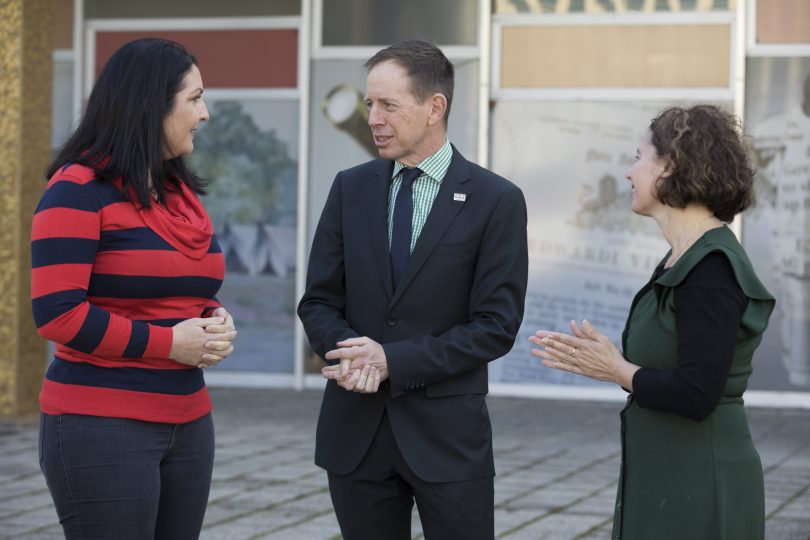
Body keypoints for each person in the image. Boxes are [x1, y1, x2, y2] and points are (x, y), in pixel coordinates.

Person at [298, 40, 528, 540]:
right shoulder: (349, 187)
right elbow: (318, 300)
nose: (373, 118)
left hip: (447, 439)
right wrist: (352, 357)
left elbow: (495, 327)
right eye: (369, 104)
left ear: (434, 108)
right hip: (354, 434)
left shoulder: (496, 201)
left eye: (388, 105)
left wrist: (391, 362)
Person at [530, 105, 775, 540]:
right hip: (671, 476)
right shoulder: (683, 257)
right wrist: (609, 364)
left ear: (672, 166)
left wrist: (617, 369)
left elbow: (697, 394)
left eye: (639, 156)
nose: (628, 173)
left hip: (699, 482)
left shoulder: (711, 269)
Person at [32, 38, 237, 539]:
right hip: (101, 423)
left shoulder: (179, 194)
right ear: (151, 103)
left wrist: (212, 316)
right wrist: (170, 343)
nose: (205, 114)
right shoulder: (76, 191)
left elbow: (184, 286)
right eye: (194, 98)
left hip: (189, 420)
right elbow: (58, 314)